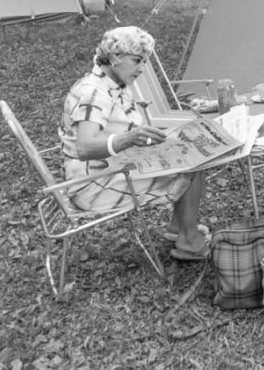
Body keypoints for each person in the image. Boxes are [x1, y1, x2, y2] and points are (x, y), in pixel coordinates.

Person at [59, 26, 210, 260]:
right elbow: (85, 147)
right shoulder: (93, 93)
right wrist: (130, 138)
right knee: (190, 169)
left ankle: (178, 229)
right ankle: (190, 241)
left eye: (145, 61)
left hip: (115, 166)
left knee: (195, 158)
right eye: (137, 60)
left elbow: (120, 129)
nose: (142, 68)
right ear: (115, 57)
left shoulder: (113, 84)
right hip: (93, 184)